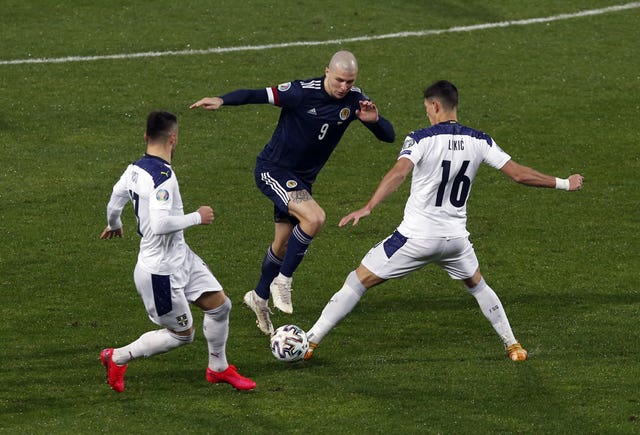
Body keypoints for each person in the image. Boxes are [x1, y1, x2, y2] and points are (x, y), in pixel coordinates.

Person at [303, 80, 584, 362]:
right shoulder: (480, 140)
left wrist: (368, 206)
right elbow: (520, 175)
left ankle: (309, 342)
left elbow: (399, 173)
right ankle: (513, 346)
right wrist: (564, 183)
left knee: (357, 280)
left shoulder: (420, 138)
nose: (427, 113)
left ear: (435, 106)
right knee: (478, 286)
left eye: (427, 108)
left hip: (415, 239)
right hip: (456, 241)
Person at [190, 50, 395, 335]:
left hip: (301, 181)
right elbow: (256, 94)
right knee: (315, 218)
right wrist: (222, 100)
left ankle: (258, 297)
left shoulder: (354, 99)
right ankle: (282, 280)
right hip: (273, 171)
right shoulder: (300, 92)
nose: (344, 87)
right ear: (326, 71)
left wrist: (375, 122)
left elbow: (390, 136)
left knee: (283, 245)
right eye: (339, 80)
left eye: (350, 81)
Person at [99, 111, 255, 392]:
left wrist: (115, 224)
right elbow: (159, 225)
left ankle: (218, 368)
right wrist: (198, 216)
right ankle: (118, 356)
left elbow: (114, 199)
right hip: (160, 272)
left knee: (220, 306)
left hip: (181, 257)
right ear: (174, 139)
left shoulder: (133, 169)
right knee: (182, 335)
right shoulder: (163, 178)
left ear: (146, 136)